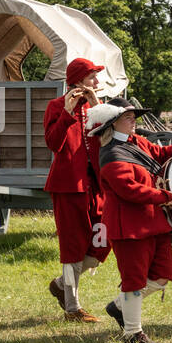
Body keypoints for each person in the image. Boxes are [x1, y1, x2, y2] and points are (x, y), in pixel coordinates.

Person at [86, 98, 172, 343]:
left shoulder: (135, 142)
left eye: (133, 117)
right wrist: (164, 196)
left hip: (153, 219)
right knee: (134, 280)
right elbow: (129, 190)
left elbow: (158, 154)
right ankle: (132, 333)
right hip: (128, 225)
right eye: (128, 117)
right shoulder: (111, 154)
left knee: (161, 276)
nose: (134, 121)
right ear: (111, 124)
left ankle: (119, 306)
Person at [42, 57, 110, 323]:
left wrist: (96, 107)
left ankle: (61, 283)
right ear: (79, 79)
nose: (97, 82)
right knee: (72, 247)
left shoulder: (99, 107)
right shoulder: (56, 106)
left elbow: (111, 139)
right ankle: (72, 307)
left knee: (103, 241)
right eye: (93, 77)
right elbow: (53, 143)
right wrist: (68, 114)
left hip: (98, 186)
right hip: (68, 186)